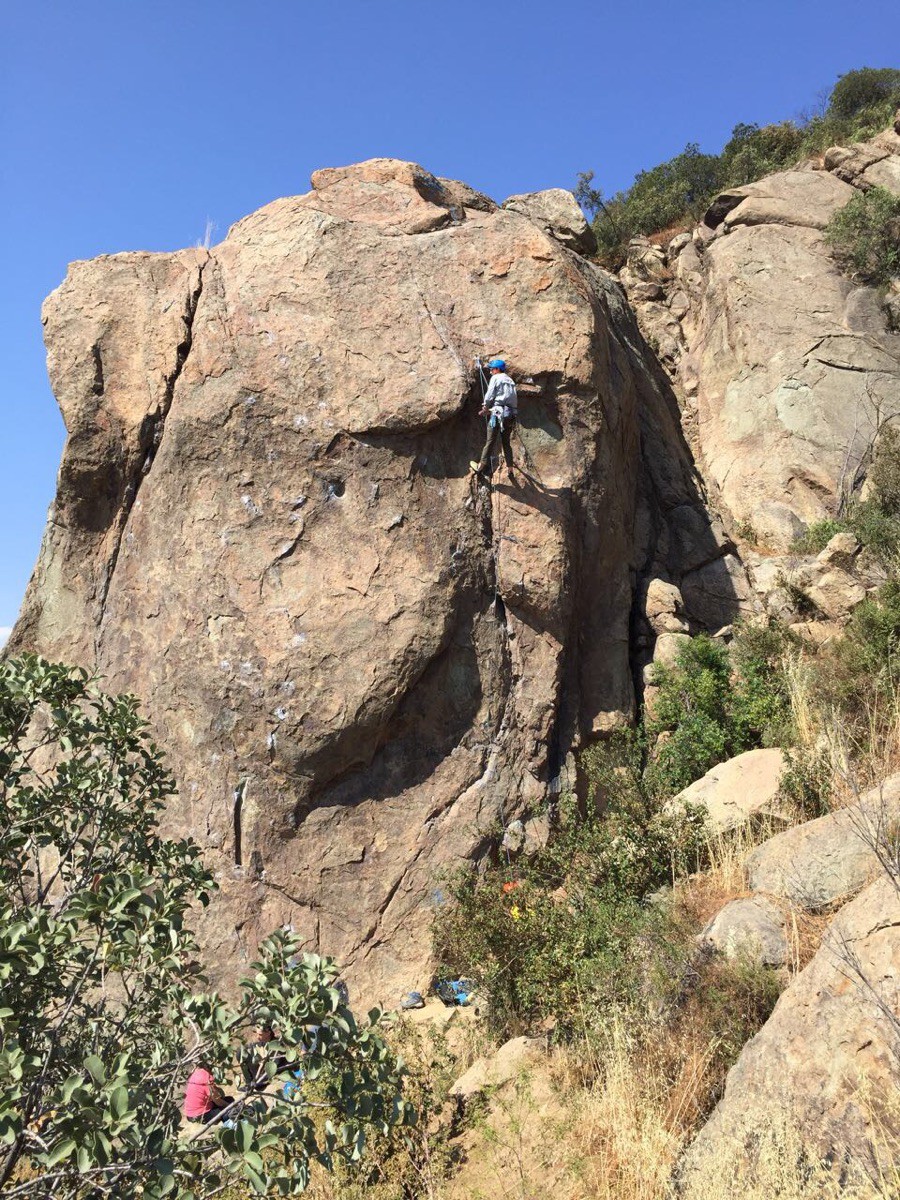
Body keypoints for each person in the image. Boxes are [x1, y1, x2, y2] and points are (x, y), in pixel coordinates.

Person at [470, 359, 518, 480]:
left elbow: (489, 394)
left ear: (497, 369)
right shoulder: (510, 380)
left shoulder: (496, 378)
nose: (490, 371)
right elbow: (513, 399)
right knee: (506, 442)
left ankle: (480, 466)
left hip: (498, 414)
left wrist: (486, 408)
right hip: (510, 415)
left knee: (490, 440)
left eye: (492, 368)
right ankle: (510, 469)